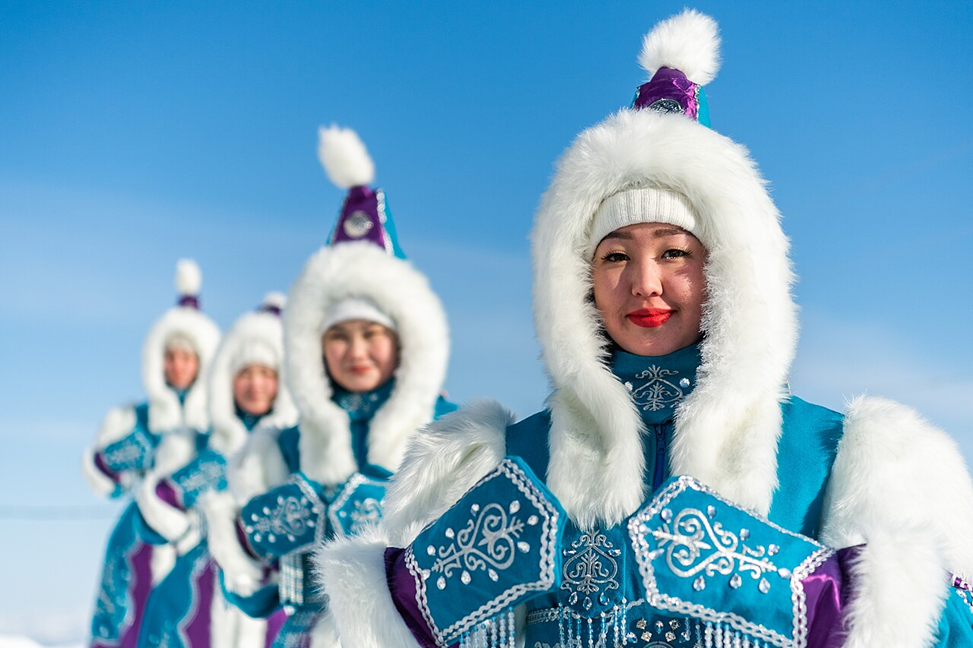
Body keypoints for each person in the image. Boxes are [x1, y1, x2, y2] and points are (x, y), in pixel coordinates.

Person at [317, 10, 973, 648]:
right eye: (614, 256)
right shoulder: (503, 460)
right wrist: (421, 595)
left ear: (728, 270)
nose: (644, 283)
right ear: (575, 280)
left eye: (673, 252)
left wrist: (784, 588)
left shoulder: (840, 456)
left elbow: (948, 626)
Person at [208, 125, 457, 648]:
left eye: (372, 334)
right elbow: (254, 595)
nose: (357, 351)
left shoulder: (452, 436)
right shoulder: (284, 446)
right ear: (312, 346)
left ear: (406, 340)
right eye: (339, 336)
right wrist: (249, 542)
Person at [135, 293, 298, 648]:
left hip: (277, 599)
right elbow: (154, 516)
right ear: (227, 380)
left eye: (267, 374)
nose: (256, 385)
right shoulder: (201, 444)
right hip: (201, 592)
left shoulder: (296, 448)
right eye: (246, 374)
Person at [82, 259, 220, 648]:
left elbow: (227, 465)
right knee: (128, 594)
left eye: (187, 357)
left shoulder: (215, 419)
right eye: (170, 357)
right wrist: (126, 455)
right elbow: (104, 476)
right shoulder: (140, 418)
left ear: (202, 363)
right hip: (143, 530)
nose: (178, 366)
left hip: (198, 529)